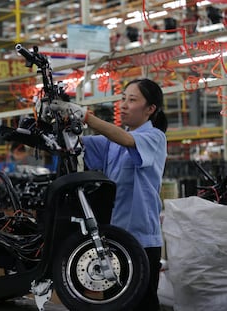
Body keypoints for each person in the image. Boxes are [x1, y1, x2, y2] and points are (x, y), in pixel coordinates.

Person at [54, 78, 167, 311]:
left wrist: (85, 117)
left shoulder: (155, 138)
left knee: (143, 304)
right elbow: (75, 144)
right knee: (115, 303)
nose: (124, 104)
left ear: (150, 109)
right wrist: (57, 119)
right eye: (123, 98)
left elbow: (127, 140)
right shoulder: (111, 143)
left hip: (142, 240)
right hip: (113, 238)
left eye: (132, 100)